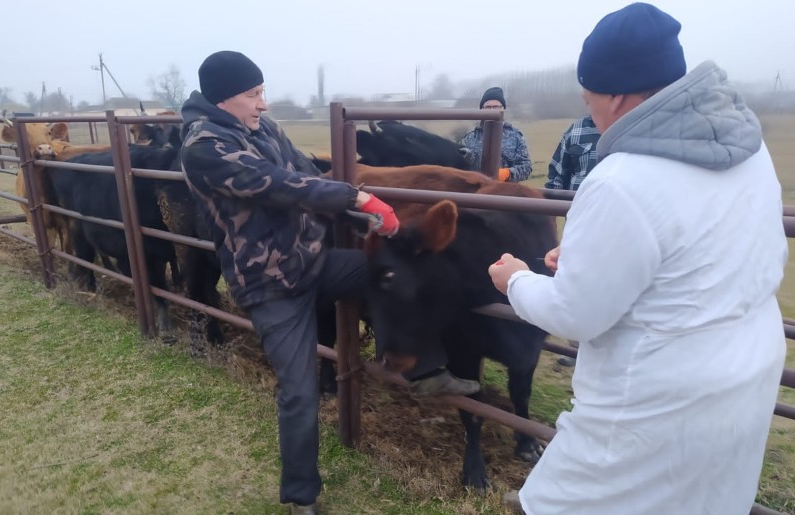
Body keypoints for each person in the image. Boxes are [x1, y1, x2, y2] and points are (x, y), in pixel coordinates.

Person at [489, 4, 787, 515]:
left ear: (617, 95)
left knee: (546, 506)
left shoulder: (622, 178)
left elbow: (574, 314)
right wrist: (594, 259)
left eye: (590, 100)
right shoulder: (748, 150)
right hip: (745, 379)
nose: (591, 115)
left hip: (655, 403)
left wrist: (516, 280)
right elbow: (705, 253)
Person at [179, 51, 478, 515]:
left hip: (313, 260)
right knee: (298, 392)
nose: (264, 104)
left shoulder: (264, 129)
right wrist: (357, 194)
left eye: (262, 92)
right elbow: (277, 184)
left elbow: (308, 174)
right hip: (269, 286)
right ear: (222, 98)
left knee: (395, 272)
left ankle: (425, 368)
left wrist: (364, 220)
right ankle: (302, 499)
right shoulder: (203, 147)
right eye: (253, 94)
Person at [545, 115, 601, 367]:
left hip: (619, 215)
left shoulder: (641, 129)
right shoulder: (577, 130)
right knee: (575, 275)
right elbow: (558, 170)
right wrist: (552, 210)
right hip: (579, 217)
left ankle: (603, 349)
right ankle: (576, 348)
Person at [458, 87, 533, 182]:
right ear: (482, 109)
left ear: (503, 109)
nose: (492, 110)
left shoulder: (516, 136)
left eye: (496, 107)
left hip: (506, 193)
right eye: (488, 107)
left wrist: (508, 173)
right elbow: (459, 167)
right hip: (477, 193)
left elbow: (526, 168)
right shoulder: (469, 138)